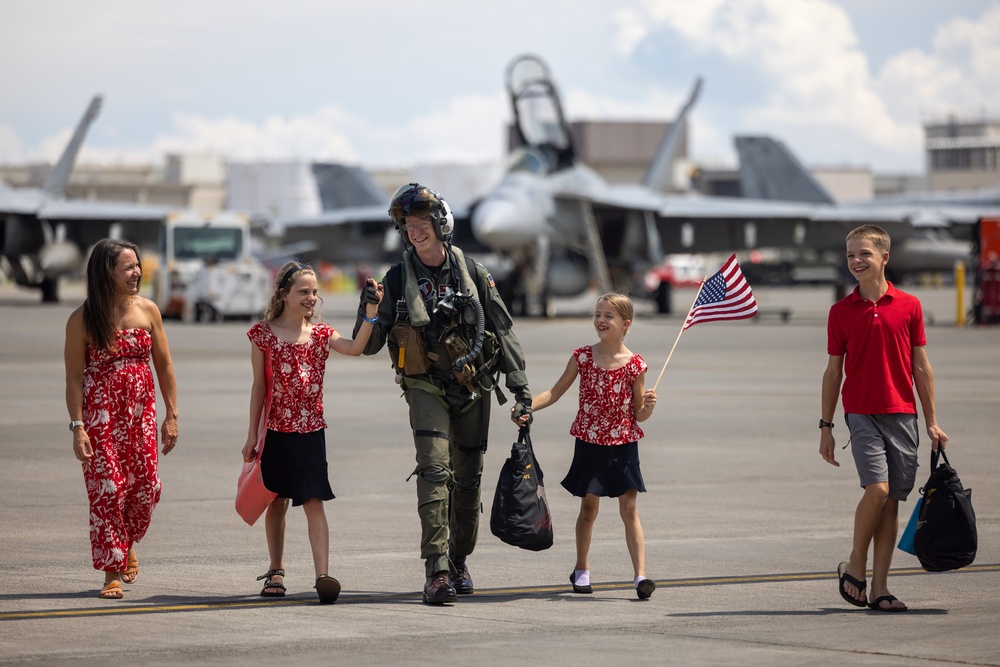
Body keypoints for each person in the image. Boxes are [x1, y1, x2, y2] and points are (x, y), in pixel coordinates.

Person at [353, 183, 532, 604]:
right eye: (409, 225)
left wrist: (521, 390)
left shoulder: (472, 271)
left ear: (440, 223)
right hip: (425, 386)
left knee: (468, 484)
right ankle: (435, 571)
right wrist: (369, 310)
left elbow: (502, 330)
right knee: (435, 471)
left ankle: (458, 559)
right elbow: (373, 343)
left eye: (422, 223)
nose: (416, 231)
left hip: (472, 385)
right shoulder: (396, 279)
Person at [821, 224, 948, 612]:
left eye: (864, 254)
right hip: (861, 413)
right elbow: (833, 372)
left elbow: (921, 368)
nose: (856, 262)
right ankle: (855, 565)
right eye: (850, 256)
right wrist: (826, 427)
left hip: (903, 414)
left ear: (884, 258)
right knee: (876, 490)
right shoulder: (840, 311)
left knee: (892, 501)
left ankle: (879, 588)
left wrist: (932, 421)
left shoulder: (910, 306)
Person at [243, 262, 383, 604]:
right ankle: (276, 570)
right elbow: (259, 387)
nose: (311, 298)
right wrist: (252, 436)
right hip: (276, 431)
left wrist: (371, 313)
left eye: (314, 292)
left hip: (311, 432)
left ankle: (323, 575)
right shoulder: (263, 335)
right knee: (275, 502)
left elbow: (355, 348)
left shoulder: (321, 334)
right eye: (303, 291)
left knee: (314, 502)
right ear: (284, 295)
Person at [64, 238, 179, 600]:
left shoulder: (147, 310)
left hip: (141, 413)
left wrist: (171, 415)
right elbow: (73, 378)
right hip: (100, 417)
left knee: (147, 484)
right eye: (128, 267)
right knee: (109, 490)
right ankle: (111, 571)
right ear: (106, 272)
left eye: (137, 265)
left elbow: (164, 365)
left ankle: (127, 541)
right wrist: (77, 426)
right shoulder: (82, 319)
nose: (137, 273)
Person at [531, 292, 658, 600]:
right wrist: (527, 406)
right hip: (589, 441)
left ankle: (641, 576)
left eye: (608, 316)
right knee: (589, 508)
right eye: (598, 314)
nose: (601, 320)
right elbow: (555, 392)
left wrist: (650, 407)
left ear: (625, 324)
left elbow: (639, 414)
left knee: (629, 508)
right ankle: (581, 568)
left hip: (623, 443)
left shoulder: (636, 366)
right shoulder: (582, 357)